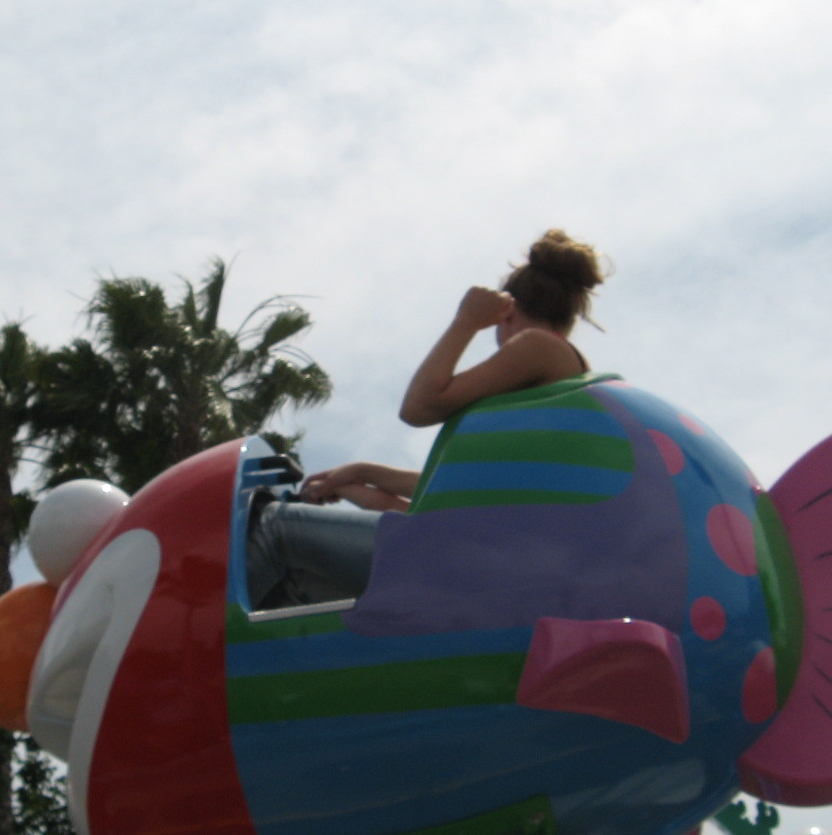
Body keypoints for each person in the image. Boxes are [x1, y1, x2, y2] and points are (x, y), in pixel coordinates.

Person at [248, 229, 607, 608]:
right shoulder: (549, 395)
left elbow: (419, 407)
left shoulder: (541, 347)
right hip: (492, 561)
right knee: (296, 584)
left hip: (488, 562)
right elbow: (446, 501)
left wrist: (465, 321)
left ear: (507, 312)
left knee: (275, 527)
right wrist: (361, 479)